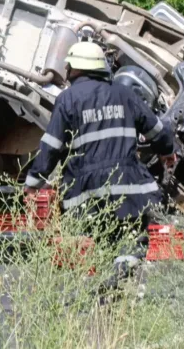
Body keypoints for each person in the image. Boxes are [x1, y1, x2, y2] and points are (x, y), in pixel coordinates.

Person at [23, 41, 176, 277]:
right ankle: (123, 270)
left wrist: (33, 183)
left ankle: (106, 281)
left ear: (76, 68)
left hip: (85, 190)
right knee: (134, 234)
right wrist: (167, 152)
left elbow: (51, 146)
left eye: (69, 67)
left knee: (97, 239)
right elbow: (158, 131)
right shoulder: (124, 94)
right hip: (129, 185)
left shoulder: (68, 99)